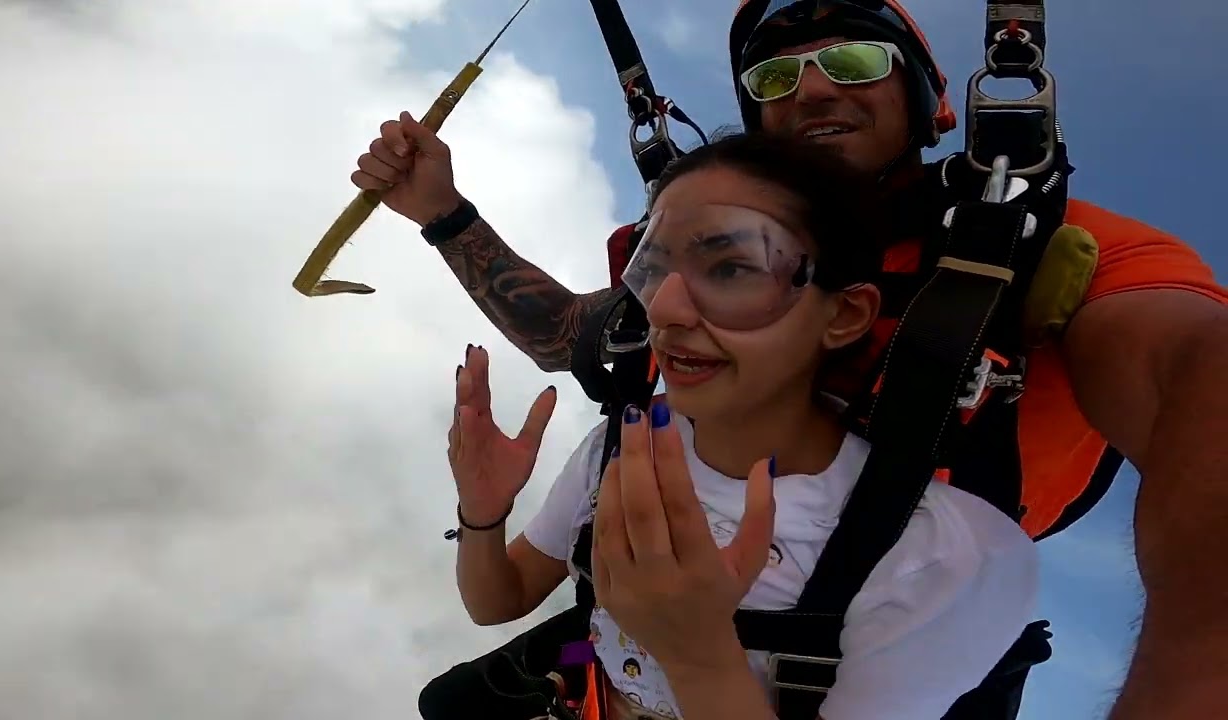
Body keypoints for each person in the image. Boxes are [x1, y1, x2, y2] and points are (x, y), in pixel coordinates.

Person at [355, 2, 1228, 716]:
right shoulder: (683, 297)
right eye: (774, 78)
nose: (810, 88)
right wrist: (442, 212)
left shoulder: (1037, 251)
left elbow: (1197, 376)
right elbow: (575, 333)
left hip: (876, 659)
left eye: (853, 61)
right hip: (613, 657)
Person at [447, 132, 1038, 720]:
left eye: (729, 269)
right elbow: (498, 600)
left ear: (843, 313)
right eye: (654, 269)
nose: (666, 310)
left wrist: (699, 655)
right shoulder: (624, 449)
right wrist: (482, 512)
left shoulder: (936, 554)